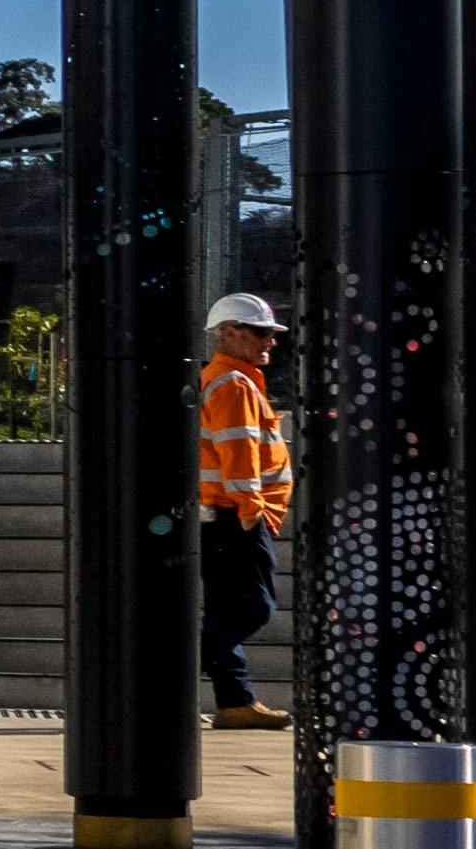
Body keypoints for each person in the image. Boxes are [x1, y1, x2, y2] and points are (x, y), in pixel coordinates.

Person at [204, 292, 292, 729]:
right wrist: (250, 508)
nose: (270, 342)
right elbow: (238, 452)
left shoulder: (236, 381)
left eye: (272, 335)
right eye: (260, 333)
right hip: (233, 515)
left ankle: (234, 701)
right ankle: (184, 660)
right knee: (254, 607)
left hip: (226, 513)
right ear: (229, 333)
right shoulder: (233, 384)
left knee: (226, 607)